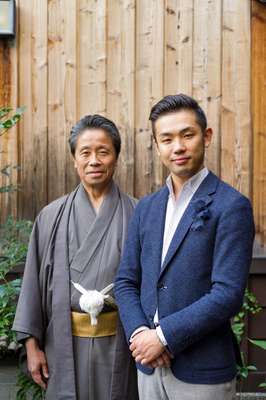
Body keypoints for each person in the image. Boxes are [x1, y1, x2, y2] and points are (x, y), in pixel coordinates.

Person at [115, 94, 255, 400]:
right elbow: (126, 280)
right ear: (157, 144)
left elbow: (227, 294)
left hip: (202, 372)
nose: (177, 146)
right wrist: (141, 334)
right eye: (166, 139)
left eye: (187, 135)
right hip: (149, 367)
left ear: (206, 137)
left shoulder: (231, 206)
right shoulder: (147, 208)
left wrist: (164, 338)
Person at [13, 115, 138, 400]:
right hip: (64, 345)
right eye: (85, 152)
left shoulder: (138, 213)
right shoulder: (51, 216)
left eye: (103, 152)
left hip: (121, 345)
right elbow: (32, 284)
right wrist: (32, 348)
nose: (94, 160)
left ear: (116, 158)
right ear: (74, 160)